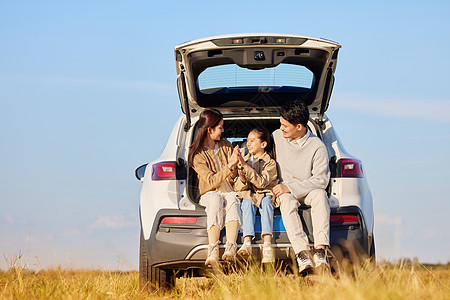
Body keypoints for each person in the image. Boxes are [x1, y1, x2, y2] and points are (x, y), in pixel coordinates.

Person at [272, 101, 331, 275]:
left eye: (285, 126)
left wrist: (289, 187)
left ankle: (320, 251)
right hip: (285, 192)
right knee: (286, 200)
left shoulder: (317, 146)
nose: (281, 128)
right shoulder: (276, 136)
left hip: (307, 190)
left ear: (299, 126)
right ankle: (302, 254)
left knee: (320, 195)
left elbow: (321, 180)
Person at [188, 108, 241, 267]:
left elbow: (233, 176)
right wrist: (229, 166)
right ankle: (213, 249)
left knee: (232, 197)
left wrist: (234, 168)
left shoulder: (226, 145)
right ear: (209, 130)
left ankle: (231, 247)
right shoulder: (197, 155)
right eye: (220, 127)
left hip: (229, 190)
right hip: (209, 193)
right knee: (216, 199)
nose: (223, 131)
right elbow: (210, 181)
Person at [234, 127, 278, 263]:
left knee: (266, 203)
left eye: (252, 141)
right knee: (246, 203)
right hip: (250, 195)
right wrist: (241, 178)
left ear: (263, 144)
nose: (248, 144)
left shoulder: (269, 163)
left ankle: (267, 244)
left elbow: (262, 183)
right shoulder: (244, 161)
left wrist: (246, 168)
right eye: (247, 141)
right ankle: (247, 243)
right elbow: (237, 187)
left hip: (265, 193)